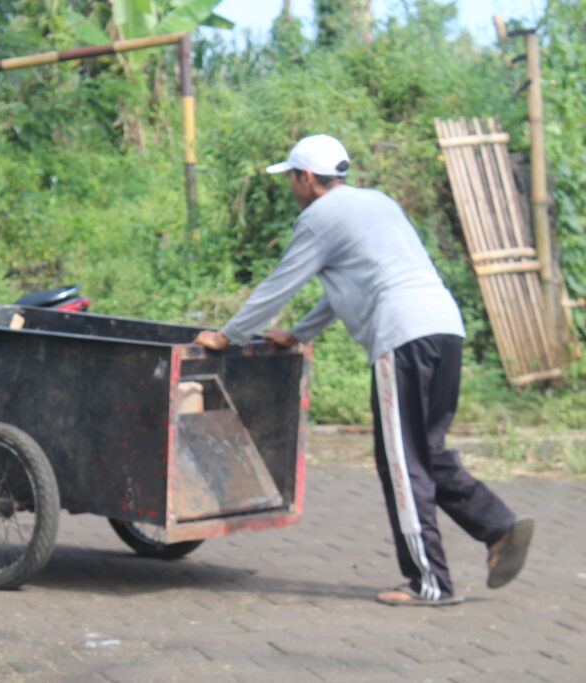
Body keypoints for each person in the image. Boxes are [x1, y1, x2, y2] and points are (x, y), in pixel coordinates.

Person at [194, 134, 533, 607]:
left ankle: (430, 582)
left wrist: (227, 335)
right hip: (444, 327)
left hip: (403, 335)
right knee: (425, 450)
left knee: (402, 462)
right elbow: (352, 286)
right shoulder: (377, 202)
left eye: (291, 178)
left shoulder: (320, 217)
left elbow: (280, 284)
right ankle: (498, 528)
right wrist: (300, 332)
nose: (291, 187)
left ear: (306, 177)